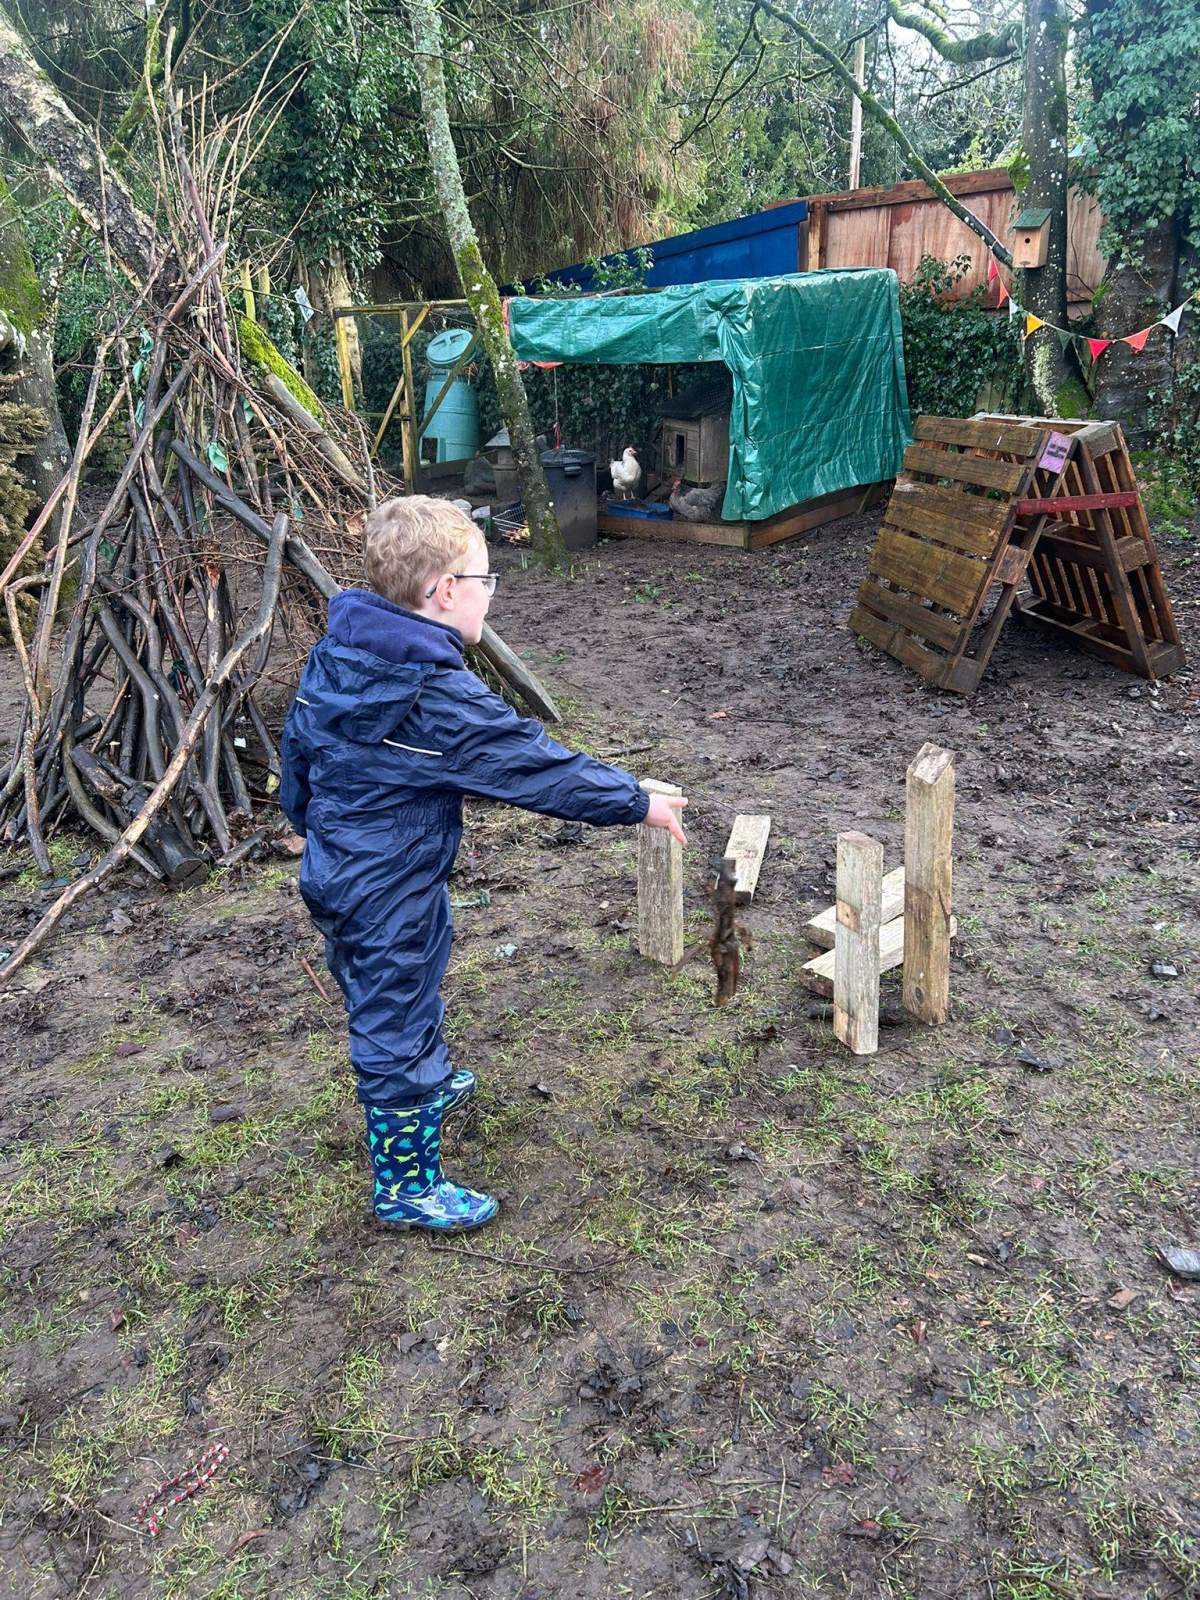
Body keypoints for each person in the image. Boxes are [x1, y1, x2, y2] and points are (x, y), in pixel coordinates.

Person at [280, 496, 688, 1233]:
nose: (490, 593)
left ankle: (426, 1085)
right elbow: (532, 765)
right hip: (385, 882)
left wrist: (306, 821)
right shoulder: (433, 694)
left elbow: (299, 746)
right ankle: (406, 1185)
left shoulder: (343, 652)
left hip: (352, 866)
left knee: (407, 977)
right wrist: (637, 802)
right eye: (485, 579)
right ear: (445, 591)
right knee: (393, 1013)